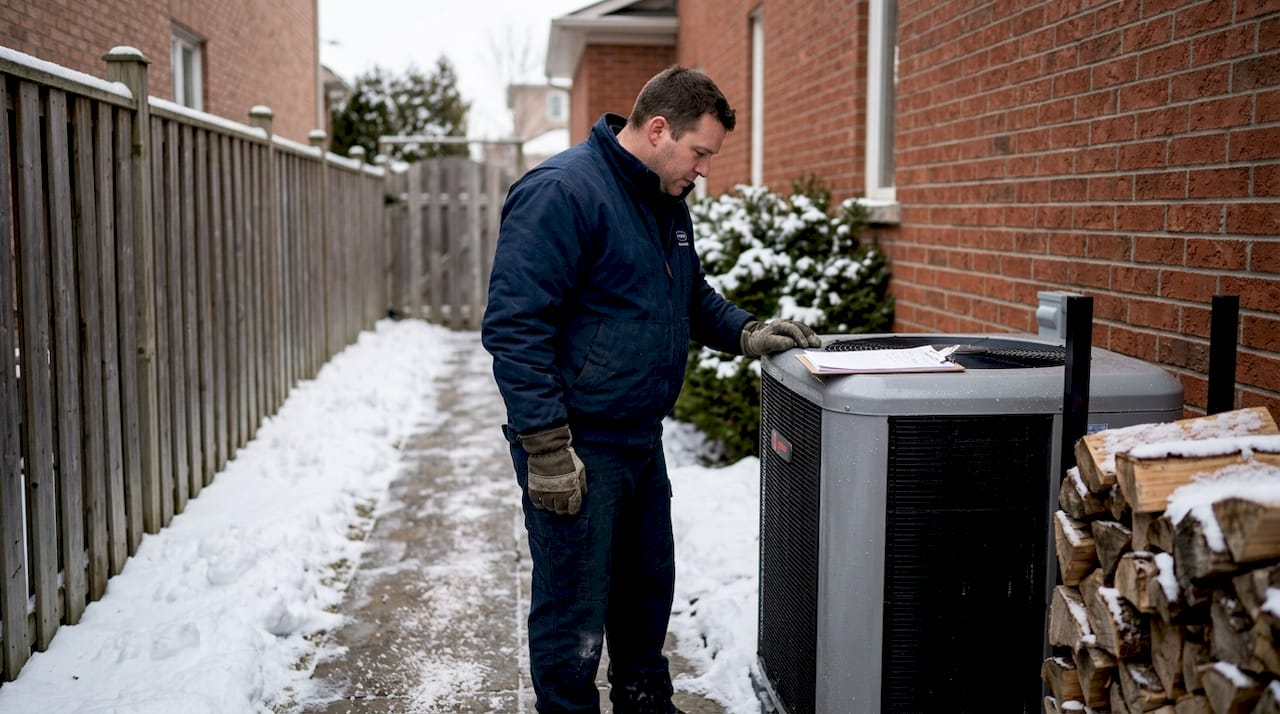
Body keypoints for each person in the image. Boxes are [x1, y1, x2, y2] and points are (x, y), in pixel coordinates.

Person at [481, 66, 820, 714]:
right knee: (573, 620)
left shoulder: (666, 200)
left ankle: (646, 705)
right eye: (700, 153)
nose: (702, 171)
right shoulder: (562, 192)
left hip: (640, 439)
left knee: (644, 602)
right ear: (659, 129)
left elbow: (686, 297)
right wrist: (548, 448)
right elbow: (514, 327)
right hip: (578, 447)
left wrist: (746, 333)